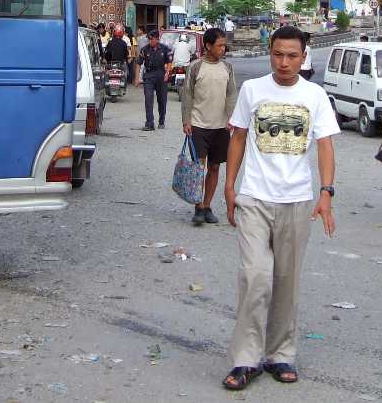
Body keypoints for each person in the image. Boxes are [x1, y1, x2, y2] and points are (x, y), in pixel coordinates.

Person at [222, 25, 338, 390]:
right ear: (269, 52)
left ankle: (280, 354)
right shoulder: (252, 89)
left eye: (292, 56)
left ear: (305, 57)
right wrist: (229, 185)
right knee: (255, 276)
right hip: (255, 196)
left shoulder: (315, 95)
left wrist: (326, 192)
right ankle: (246, 358)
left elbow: (324, 146)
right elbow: (238, 136)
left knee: (286, 281)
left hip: (297, 199)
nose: (284, 62)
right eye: (278, 54)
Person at [181, 27, 238, 226]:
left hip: (221, 127)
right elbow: (187, 94)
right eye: (220, 45)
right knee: (199, 167)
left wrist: (232, 118)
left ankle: (207, 205)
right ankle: (198, 207)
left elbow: (231, 94)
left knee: (214, 167)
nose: (223, 49)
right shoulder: (195, 67)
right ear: (208, 46)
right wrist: (186, 120)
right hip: (198, 126)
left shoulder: (228, 68)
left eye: (224, 45)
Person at [137, 28, 172, 130]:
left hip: (161, 75)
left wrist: (167, 73)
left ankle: (161, 120)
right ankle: (149, 123)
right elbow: (138, 63)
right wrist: (136, 78)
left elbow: (169, 62)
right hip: (149, 75)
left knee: (162, 100)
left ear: (157, 39)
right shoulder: (145, 49)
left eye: (152, 39)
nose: (150, 41)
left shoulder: (165, 49)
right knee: (148, 99)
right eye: (149, 39)